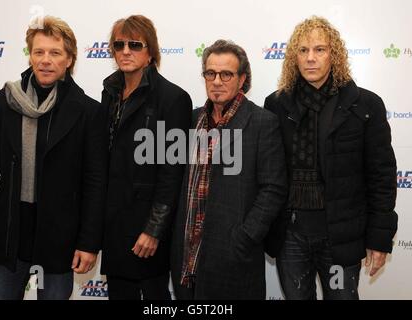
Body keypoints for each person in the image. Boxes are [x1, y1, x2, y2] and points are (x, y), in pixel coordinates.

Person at [0, 16, 107, 300]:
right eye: (39, 51)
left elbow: (95, 182)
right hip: (9, 230)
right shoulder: (7, 99)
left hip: (60, 237)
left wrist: (89, 242)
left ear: (69, 59)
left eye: (55, 53)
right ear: (30, 55)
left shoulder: (87, 111)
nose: (46, 60)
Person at [263, 16, 398, 300]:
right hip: (290, 237)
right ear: (293, 58)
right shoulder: (276, 105)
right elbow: (267, 173)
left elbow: (382, 175)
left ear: (333, 55)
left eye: (320, 50)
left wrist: (379, 238)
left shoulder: (365, 105)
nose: (311, 58)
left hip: (340, 237)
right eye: (303, 50)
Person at [170, 39, 287, 299]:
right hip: (186, 256)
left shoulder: (262, 122)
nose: (217, 81)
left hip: (232, 257)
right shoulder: (190, 120)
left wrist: (244, 238)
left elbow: (274, 189)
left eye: (226, 74)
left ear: (242, 78)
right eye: (210, 73)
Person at [100, 15, 192, 300]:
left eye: (135, 44)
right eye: (119, 44)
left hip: (146, 229)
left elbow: (172, 172)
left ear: (150, 51)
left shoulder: (173, 98)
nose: (126, 51)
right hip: (113, 223)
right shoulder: (110, 93)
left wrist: (154, 229)